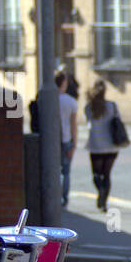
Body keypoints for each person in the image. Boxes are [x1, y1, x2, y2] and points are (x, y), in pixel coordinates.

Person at [84, 79, 123, 211]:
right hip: (112, 146)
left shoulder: (89, 107)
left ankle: (100, 192)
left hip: (96, 146)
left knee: (96, 175)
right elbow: (118, 121)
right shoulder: (112, 106)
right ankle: (103, 203)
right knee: (107, 174)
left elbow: (88, 121)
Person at [56, 70, 78, 207]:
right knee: (66, 172)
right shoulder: (71, 102)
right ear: (63, 83)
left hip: (52, 141)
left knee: (54, 171)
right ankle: (64, 198)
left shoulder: (47, 99)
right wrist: (74, 143)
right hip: (66, 140)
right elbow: (73, 124)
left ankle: (55, 196)